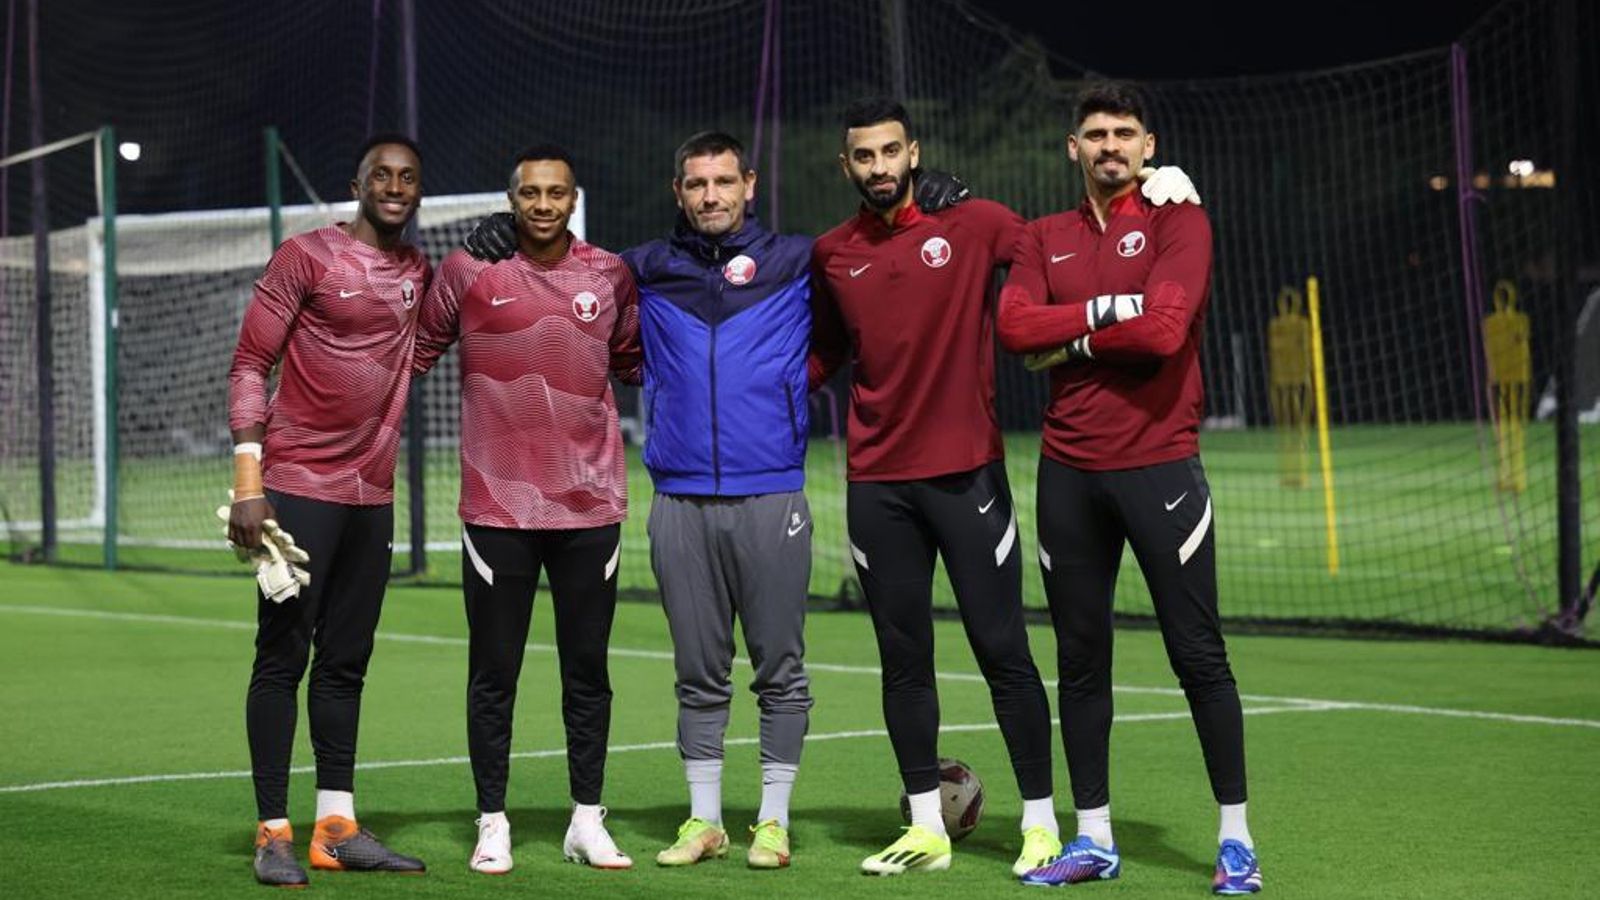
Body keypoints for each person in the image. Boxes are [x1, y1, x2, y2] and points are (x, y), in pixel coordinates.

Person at [809, 96, 1201, 879]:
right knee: (902, 655)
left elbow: (1070, 246)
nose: (880, 167)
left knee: (1003, 650)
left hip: (968, 475)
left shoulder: (981, 221)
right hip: (876, 483)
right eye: (864, 157)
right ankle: (925, 826)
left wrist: (1163, 183)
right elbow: (820, 355)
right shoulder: (831, 252)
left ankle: (1039, 823)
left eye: (892, 152)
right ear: (846, 166)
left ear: (912, 153)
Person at [996, 83, 1259, 895]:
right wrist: (1112, 311)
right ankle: (1095, 838)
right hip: (1068, 472)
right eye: (1095, 134)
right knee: (1080, 660)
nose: (1110, 145)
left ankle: (1236, 841)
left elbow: (1165, 333)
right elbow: (1012, 327)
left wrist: (1070, 331)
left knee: (1198, 655)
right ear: (1072, 148)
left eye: (1125, 133)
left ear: (1149, 145)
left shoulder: (1182, 219)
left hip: (1160, 466)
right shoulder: (1044, 237)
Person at [414, 145, 642, 874]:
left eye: (557, 193)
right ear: (510, 199)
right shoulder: (468, 270)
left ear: (574, 199)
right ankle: (492, 821)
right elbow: (414, 350)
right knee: (494, 674)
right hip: (496, 510)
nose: (543, 204)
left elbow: (634, 362)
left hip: (590, 506)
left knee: (588, 672)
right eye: (530, 193)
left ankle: (586, 818)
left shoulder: (608, 274)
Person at [226, 134, 431, 887]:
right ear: (357, 182)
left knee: (346, 663)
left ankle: (336, 828)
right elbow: (252, 362)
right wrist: (251, 482)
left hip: (370, 496)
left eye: (408, 178)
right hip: (298, 488)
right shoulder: (305, 256)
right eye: (382, 174)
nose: (395, 186)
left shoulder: (417, 271)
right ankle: (274, 831)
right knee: (282, 658)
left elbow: (432, 337)